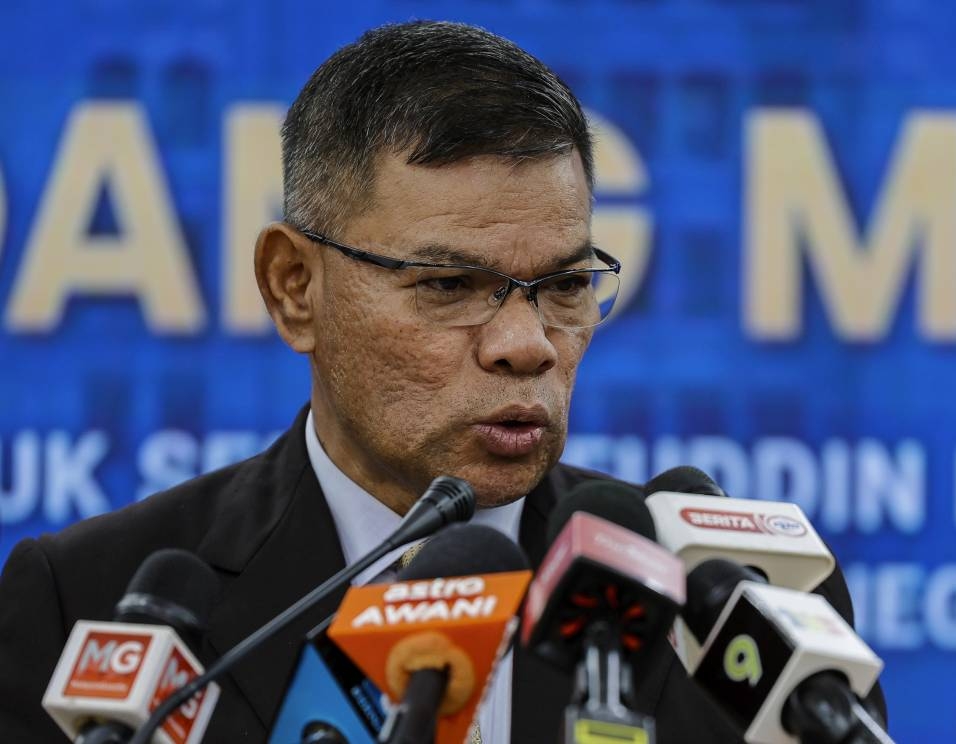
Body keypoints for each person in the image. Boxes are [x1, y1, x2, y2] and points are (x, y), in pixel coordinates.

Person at [0, 20, 885, 743]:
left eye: (565, 286)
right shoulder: (86, 605)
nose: (526, 346)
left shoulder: (747, 613)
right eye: (450, 285)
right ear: (294, 287)